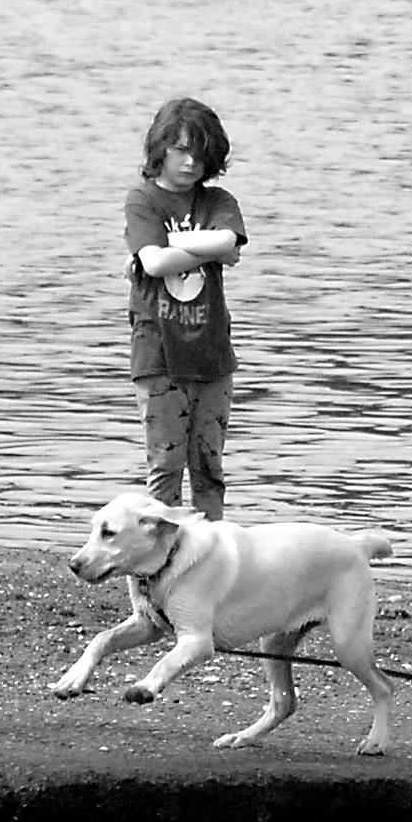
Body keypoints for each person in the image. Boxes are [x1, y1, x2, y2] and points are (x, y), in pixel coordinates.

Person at [123, 97, 248, 522]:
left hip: (212, 354)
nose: (191, 162)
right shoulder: (143, 200)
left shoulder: (217, 200)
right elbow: (155, 265)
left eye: (201, 153)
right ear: (160, 149)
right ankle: (159, 561)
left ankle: (213, 551)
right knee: (165, 468)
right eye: (180, 150)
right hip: (159, 355)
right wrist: (201, 249)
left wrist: (167, 244)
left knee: (210, 469)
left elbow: (228, 243)